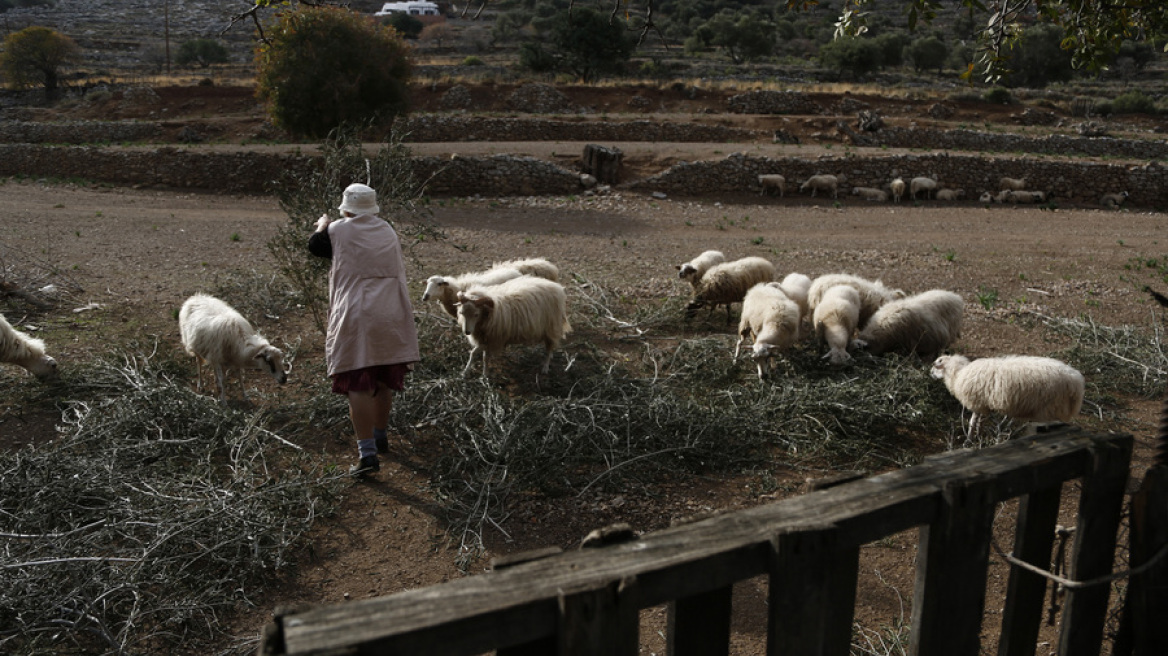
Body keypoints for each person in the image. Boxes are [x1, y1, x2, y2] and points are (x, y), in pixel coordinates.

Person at [309, 183, 420, 476]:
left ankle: (367, 453)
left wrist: (323, 225)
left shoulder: (338, 230)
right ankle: (381, 436)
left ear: (345, 209)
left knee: (359, 379)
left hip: (358, 313)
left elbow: (315, 247)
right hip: (391, 311)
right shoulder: (387, 230)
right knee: (383, 377)